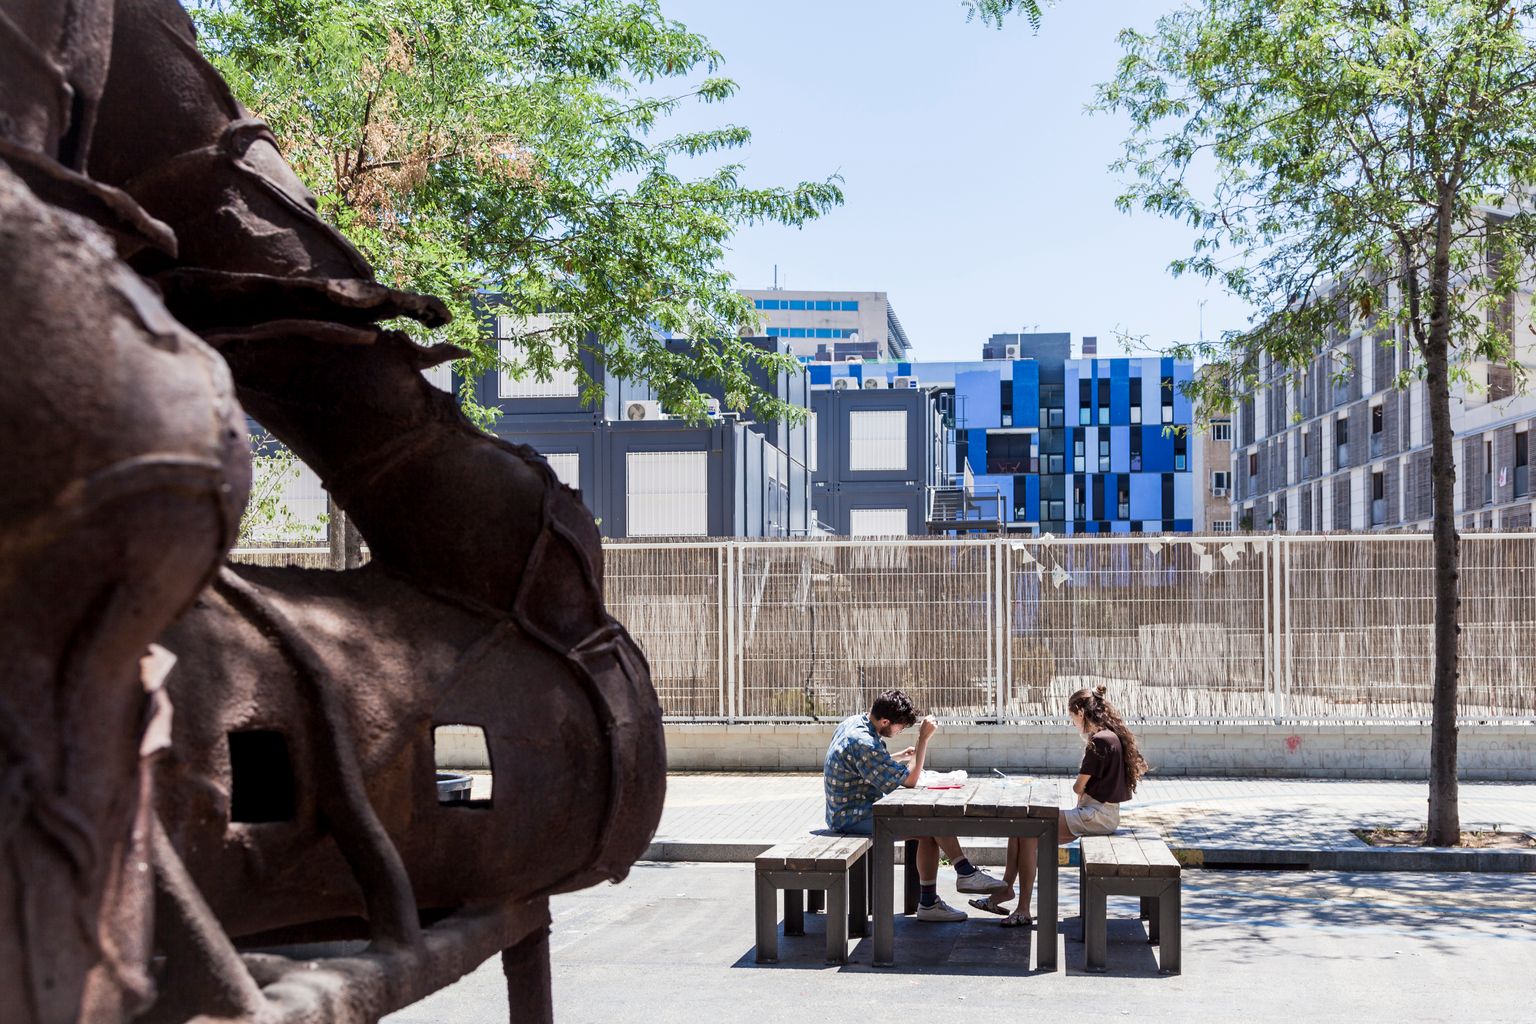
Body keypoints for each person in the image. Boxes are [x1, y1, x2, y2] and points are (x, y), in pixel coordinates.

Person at [971, 684, 1149, 927]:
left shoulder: (1098, 741)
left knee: (1029, 832)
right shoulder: (1111, 736)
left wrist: (1082, 788)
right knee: (1019, 830)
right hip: (1101, 814)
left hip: (1095, 815)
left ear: (1080, 712)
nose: (1073, 723)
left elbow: (1078, 787)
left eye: (1072, 717)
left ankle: (1023, 909)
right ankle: (1006, 891)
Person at [824, 689, 1006, 922]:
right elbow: (910, 780)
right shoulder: (864, 742)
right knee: (930, 826)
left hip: (849, 808)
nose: (900, 732)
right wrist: (922, 740)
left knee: (929, 828)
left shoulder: (855, 723)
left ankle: (936, 897)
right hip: (851, 817)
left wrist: (898, 757)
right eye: (900, 727)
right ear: (885, 721)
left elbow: (865, 764)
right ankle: (960, 877)